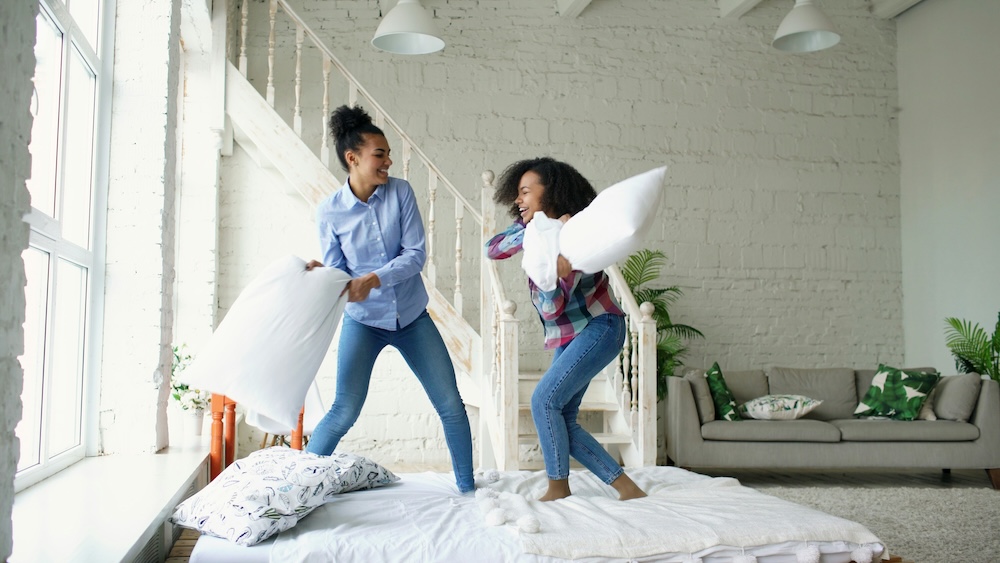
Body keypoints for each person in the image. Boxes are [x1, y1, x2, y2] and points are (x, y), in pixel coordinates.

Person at [305, 105, 474, 494]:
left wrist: (374, 277)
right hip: (363, 321)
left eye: (388, 154)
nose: (388, 161)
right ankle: (298, 487)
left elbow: (415, 255)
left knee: (451, 405)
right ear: (353, 158)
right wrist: (324, 274)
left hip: (412, 317)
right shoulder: (329, 212)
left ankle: (468, 490)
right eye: (379, 154)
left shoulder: (401, 192)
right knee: (343, 411)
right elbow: (340, 275)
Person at [486, 157, 647, 502]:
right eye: (517, 193)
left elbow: (552, 307)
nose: (518, 199)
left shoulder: (576, 238)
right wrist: (534, 230)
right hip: (570, 334)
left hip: (599, 326)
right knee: (561, 416)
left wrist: (556, 259)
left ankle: (558, 486)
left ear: (551, 192)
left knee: (544, 401)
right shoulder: (539, 235)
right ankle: (627, 488)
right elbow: (492, 249)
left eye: (525, 192)